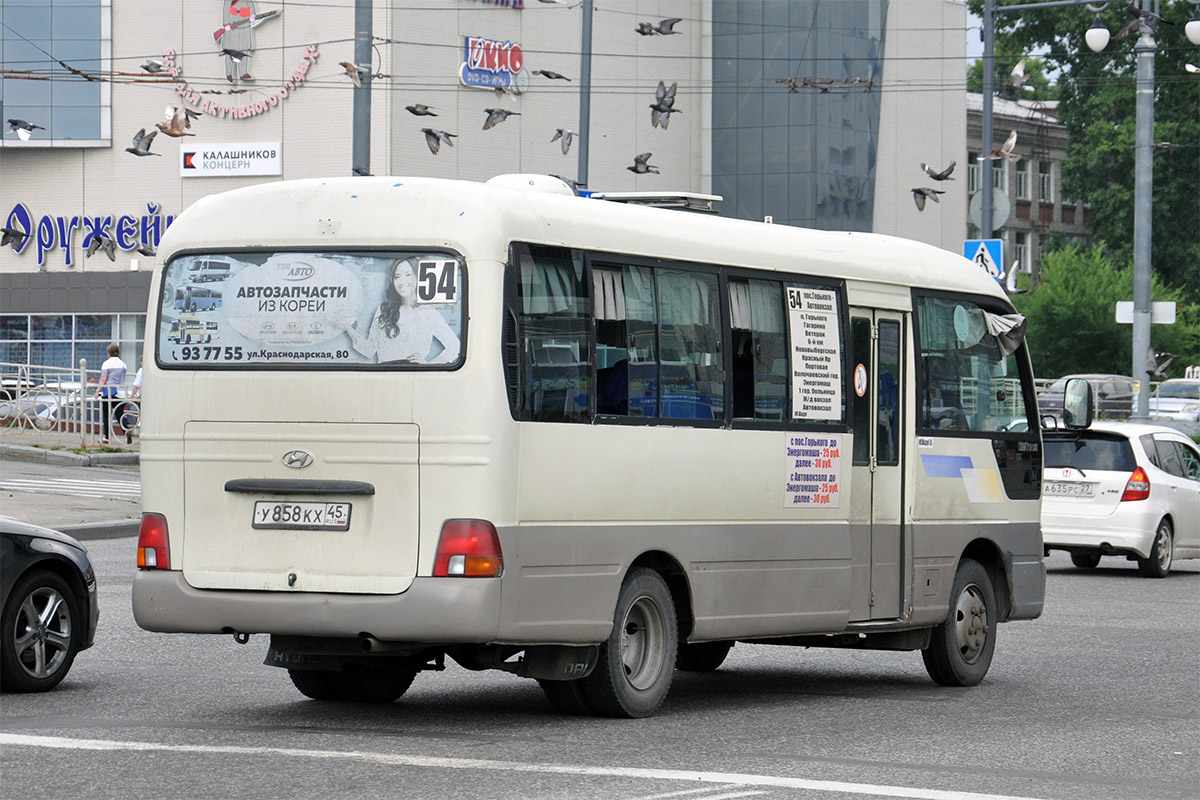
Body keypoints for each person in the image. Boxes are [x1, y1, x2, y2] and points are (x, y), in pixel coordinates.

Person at [347, 257, 460, 364]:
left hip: (413, 375)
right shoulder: (384, 310)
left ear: (418, 277)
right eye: (397, 277)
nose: (402, 282)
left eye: (408, 275)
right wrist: (347, 327)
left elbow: (455, 346)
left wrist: (429, 364)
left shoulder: (427, 312)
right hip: (384, 374)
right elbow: (369, 350)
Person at [95, 343, 127, 444]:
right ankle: (126, 431)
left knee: (106, 414)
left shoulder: (106, 364)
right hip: (120, 392)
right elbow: (123, 378)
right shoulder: (123, 364)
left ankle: (107, 436)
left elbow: (103, 379)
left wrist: (97, 391)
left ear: (109, 352)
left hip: (108, 391)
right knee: (119, 414)